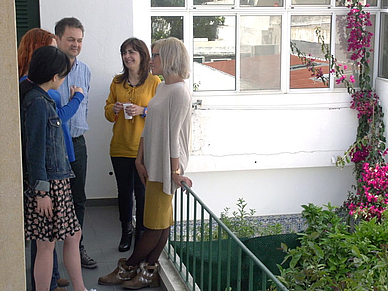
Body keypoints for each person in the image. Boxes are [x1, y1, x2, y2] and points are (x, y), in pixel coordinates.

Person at [98, 37, 193, 289]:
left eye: (157, 55)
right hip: (152, 161)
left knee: (154, 224)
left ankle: (128, 267)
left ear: (171, 57)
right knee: (159, 222)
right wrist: (140, 159)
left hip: (167, 166)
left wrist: (174, 172)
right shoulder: (162, 87)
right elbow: (149, 128)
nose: (152, 60)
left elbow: (174, 138)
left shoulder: (180, 92)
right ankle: (148, 271)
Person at [20, 45, 96, 291]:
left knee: (69, 236)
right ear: (55, 77)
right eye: (63, 75)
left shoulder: (39, 98)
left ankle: (80, 289)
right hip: (49, 185)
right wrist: (41, 192)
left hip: (56, 182)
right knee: (46, 244)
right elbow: (34, 151)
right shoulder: (38, 103)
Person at [104, 38, 161, 252]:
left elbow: (160, 113)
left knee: (143, 194)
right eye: (124, 52)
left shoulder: (154, 81)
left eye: (132, 52)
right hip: (120, 147)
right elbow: (108, 113)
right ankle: (125, 232)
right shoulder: (117, 82)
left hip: (144, 149)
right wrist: (115, 109)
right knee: (124, 193)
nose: (128, 56)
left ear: (142, 55)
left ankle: (141, 235)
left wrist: (143, 111)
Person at [55, 17, 97, 269]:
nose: (76, 44)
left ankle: (77, 248)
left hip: (77, 143)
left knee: (78, 198)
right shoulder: (47, 70)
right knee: (52, 203)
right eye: (70, 39)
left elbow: (86, 104)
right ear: (58, 39)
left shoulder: (85, 70)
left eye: (79, 40)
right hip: (55, 146)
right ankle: (52, 262)